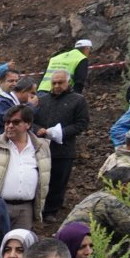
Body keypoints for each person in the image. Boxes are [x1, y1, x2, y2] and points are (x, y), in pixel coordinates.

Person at [33, 68, 90, 221]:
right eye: (54, 83)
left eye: (60, 82)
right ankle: (36, 208)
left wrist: (62, 132)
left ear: (68, 82)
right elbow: (31, 121)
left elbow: (82, 123)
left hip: (63, 149)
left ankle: (51, 211)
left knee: (58, 180)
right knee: (38, 179)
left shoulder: (78, 100)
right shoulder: (42, 100)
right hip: (41, 147)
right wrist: (38, 129)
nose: (57, 86)